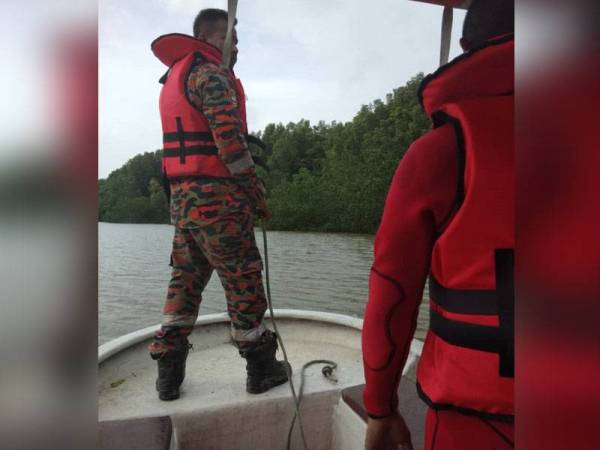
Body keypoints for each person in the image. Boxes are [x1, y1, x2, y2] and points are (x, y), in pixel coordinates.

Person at [361, 0, 514, 448]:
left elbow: (392, 293)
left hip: (476, 424)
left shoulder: (440, 152)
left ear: (466, 47)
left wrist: (380, 409)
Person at [147, 8, 289, 401]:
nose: (238, 48)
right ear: (214, 39)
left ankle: (168, 375)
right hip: (220, 202)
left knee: (184, 284)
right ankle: (261, 369)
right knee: (243, 279)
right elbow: (229, 139)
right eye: (234, 41)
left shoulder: (176, 76)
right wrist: (255, 191)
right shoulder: (211, 74)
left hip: (184, 203)